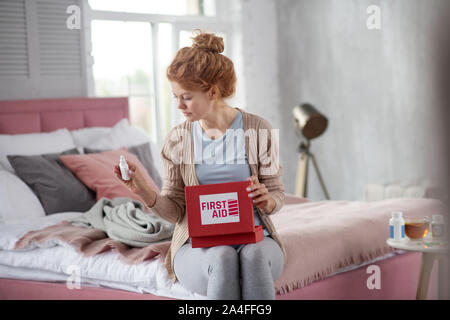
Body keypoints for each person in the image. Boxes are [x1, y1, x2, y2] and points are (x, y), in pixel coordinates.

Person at [114, 29, 286, 300]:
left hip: (257, 239)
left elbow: (277, 192)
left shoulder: (258, 129)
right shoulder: (177, 140)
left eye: (187, 97)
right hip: (198, 246)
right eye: (176, 97)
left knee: (252, 257)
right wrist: (142, 190)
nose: (180, 106)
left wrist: (268, 201)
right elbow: (175, 210)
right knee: (222, 257)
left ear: (213, 92)